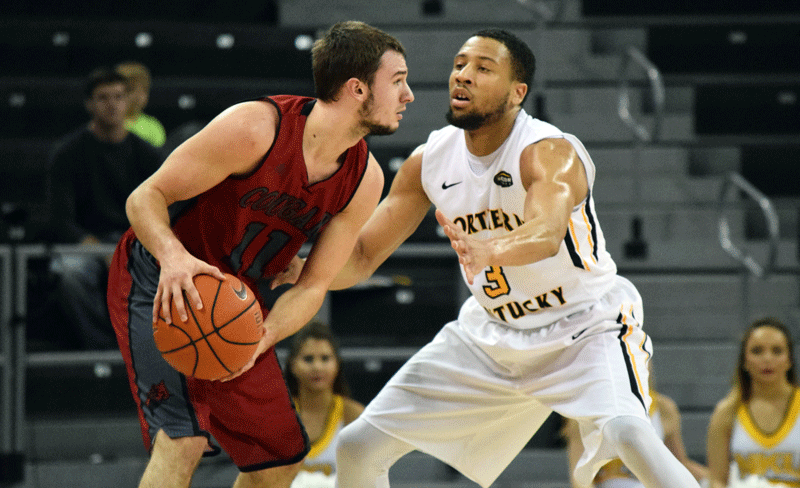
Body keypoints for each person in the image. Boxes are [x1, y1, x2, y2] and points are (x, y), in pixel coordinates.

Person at [275, 28, 703, 488]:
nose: (463, 75)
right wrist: (308, 268)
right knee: (359, 446)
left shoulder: (549, 152)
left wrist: (491, 248)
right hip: (491, 336)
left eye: (483, 68)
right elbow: (360, 256)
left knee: (629, 433)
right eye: (460, 64)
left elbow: (546, 231)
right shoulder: (430, 161)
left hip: (583, 327)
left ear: (518, 93)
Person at [105, 20, 413, 488]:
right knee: (183, 439)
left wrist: (260, 337)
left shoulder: (364, 178)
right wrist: (173, 256)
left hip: (235, 304)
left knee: (280, 461)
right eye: (397, 81)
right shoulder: (255, 128)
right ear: (356, 89)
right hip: (158, 279)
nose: (408, 95)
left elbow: (312, 283)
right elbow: (144, 198)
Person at [44, 68, 162, 349]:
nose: (112, 104)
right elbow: (60, 219)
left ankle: (146, 347)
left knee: (164, 272)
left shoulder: (146, 154)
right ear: (89, 104)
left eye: (119, 97)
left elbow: (160, 211)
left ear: (127, 102)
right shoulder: (67, 154)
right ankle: (104, 346)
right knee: (70, 275)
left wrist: (127, 248)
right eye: (103, 97)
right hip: (86, 243)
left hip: (134, 242)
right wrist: (98, 248)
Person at [563, 367, 708, 487]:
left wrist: (718, 480)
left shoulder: (663, 408)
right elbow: (580, 479)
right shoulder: (587, 411)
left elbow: (680, 465)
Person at [706, 317, 800, 488]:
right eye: (757, 351)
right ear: (744, 361)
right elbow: (717, 480)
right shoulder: (726, 412)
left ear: (790, 360)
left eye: (777, 351)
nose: (767, 358)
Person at [284, 321, 364, 488]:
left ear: (337, 364)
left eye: (325, 358)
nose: (317, 367)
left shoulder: (355, 415)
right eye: (308, 359)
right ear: (292, 364)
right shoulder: (276, 416)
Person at [115, 61, 167, 148]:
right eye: (131, 89)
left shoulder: (153, 126)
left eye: (144, 90)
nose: (138, 96)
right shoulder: (111, 125)